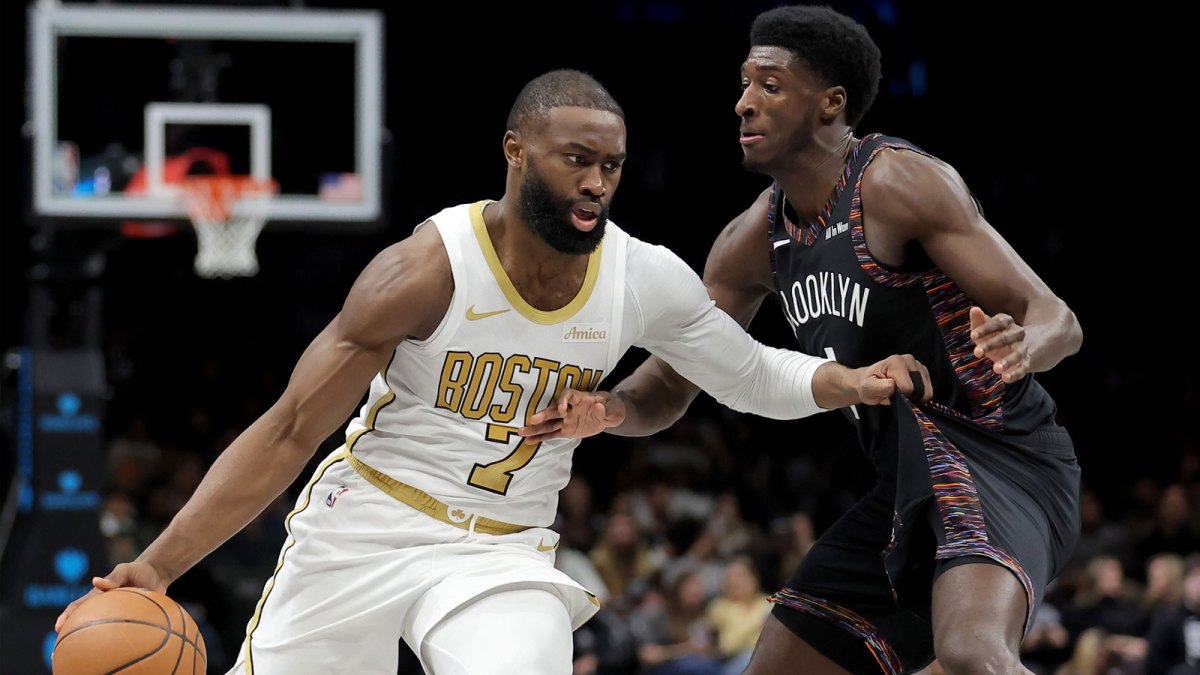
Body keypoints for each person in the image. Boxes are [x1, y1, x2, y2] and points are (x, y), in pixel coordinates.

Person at [55, 68, 932, 675]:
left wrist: (838, 382)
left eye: (612, 166)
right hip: (364, 527)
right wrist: (161, 565)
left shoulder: (642, 275)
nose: (597, 184)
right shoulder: (426, 269)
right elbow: (289, 428)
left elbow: (742, 372)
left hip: (499, 551)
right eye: (576, 160)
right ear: (516, 151)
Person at [519, 6, 1084, 674]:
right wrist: (609, 409)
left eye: (769, 85)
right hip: (905, 489)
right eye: (743, 83)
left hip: (1002, 463)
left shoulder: (897, 183)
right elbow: (672, 381)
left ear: (830, 104)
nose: (742, 103)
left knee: (970, 653)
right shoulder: (750, 242)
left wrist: (1024, 342)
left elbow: (1055, 316)